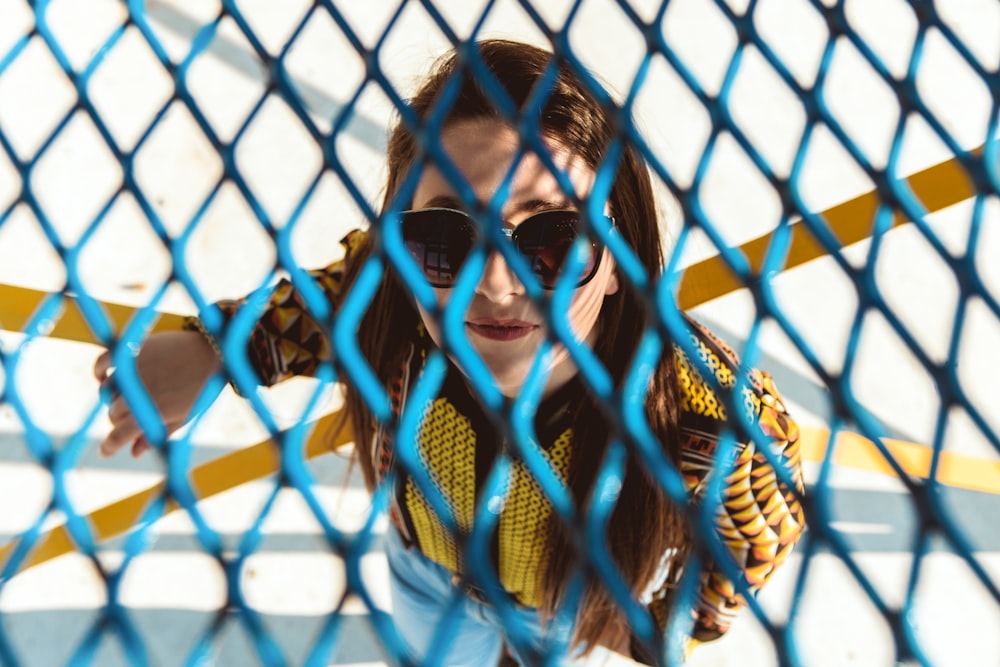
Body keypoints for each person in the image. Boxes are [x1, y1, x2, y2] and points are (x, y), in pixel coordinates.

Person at [95, 39, 805, 666]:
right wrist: (215, 350)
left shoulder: (704, 417)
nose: (496, 284)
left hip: (560, 602)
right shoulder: (392, 303)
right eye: (442, 239)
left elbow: (761, 528)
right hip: (424, 566)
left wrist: (671, 621)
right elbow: (323, 304)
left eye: (554, 241)